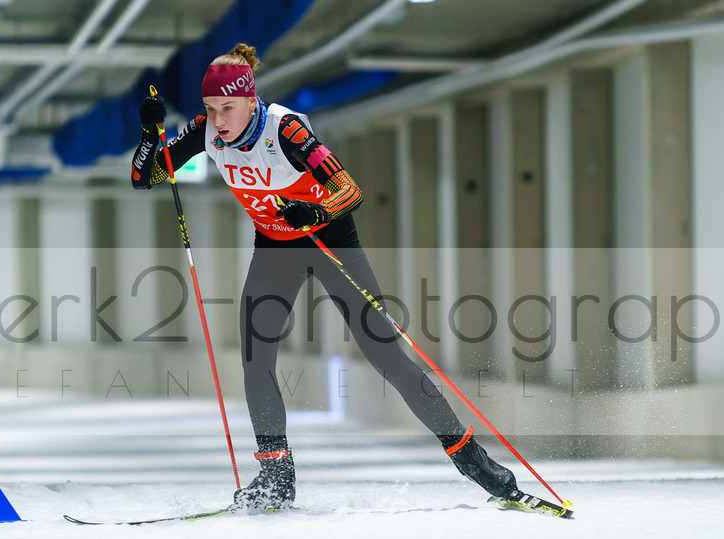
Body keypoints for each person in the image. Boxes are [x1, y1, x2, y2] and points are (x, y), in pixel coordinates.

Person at [130, 42, 518, 510]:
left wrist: (312, 208)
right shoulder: (206, 133)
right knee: (256, 358)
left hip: (329, 242)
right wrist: (152, 132)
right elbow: (145, 176)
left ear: (251, 100)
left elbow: (348, 190)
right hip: (275, 249)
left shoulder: (286, 128)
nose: (218, 121)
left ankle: (473, 461)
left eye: (227, 108)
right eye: (211, 110)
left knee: (387, 357)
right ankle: (276, 476)